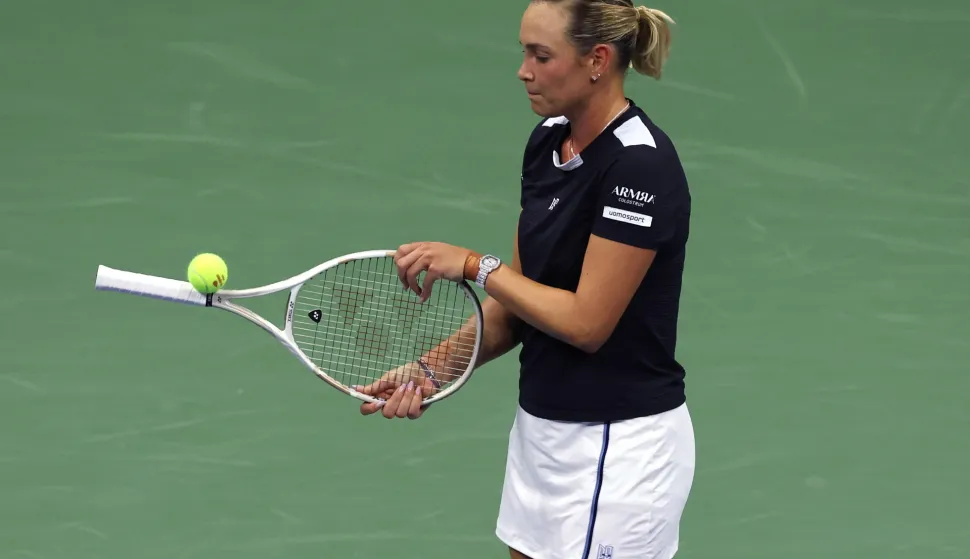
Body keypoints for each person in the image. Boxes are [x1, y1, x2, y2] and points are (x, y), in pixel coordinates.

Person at [357, 1, 695, 557]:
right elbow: (521, 303)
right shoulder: (547, 143)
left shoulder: (640, 167)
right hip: (543, 435)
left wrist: (475, 267)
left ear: (597, 61)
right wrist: (429, 372)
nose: (524, 70)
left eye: (542, 55)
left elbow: (586, 323)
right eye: (524, 52)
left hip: (616, 446)